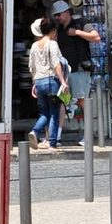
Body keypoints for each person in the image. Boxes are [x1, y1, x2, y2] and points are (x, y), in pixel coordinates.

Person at [51, 0, 103, 140]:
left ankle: (88, 135)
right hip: (66, 72)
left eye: (59, 14)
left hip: (80, 69)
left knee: (82, 101)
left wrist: (77, 32)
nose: (57, 18)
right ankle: (57, 135)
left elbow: (96, 37)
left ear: (67, 12)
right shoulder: (59, 30)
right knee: (61, 101)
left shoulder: (81, 23)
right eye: (55, 15)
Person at [27, 16, 69, 149]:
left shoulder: (34, 46)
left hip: (39, 82)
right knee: (54, 113)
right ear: (52, 30)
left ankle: (35, 131)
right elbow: (56, 64)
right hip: (51, 81)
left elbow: (31, 67)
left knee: (44, 112)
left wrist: (34, 82)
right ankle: (52, 143)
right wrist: (63, 81)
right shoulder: (52, 44)